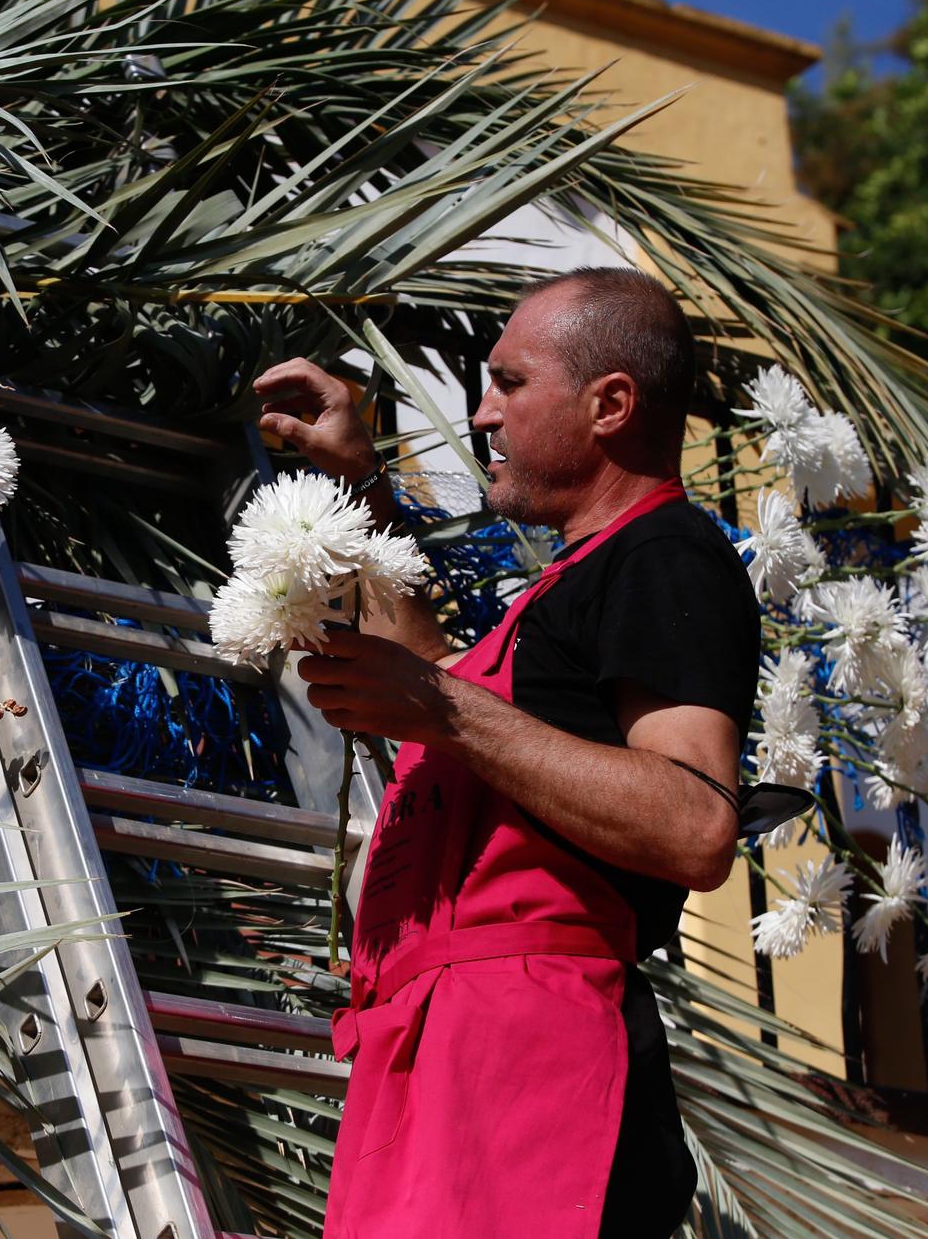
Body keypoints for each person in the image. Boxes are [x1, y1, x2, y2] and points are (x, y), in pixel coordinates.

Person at [252, 267, 760, 1238]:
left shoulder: (664, 553)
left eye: (508, 382)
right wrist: (354, 481)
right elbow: (436, 676)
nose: (480, 412)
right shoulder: (560, 582)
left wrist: (442, 708)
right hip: (432, 1056)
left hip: (534, 1070)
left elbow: (695, 822)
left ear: (609, 403)